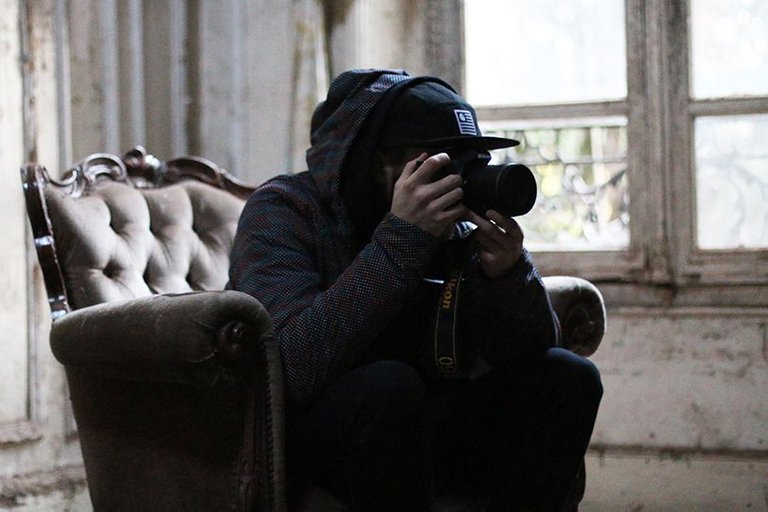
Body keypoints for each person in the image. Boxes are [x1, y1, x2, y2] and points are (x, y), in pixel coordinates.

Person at [228, 68, 602, 511]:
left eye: (467, 162)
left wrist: (508, 276)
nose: (455, 180)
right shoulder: (285, 209)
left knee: (568, 375)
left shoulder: (454, 226)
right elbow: (293, 367)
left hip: (426, 420)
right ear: (373, 160)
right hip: (319, 428)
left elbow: (530, 351)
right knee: (390, 384)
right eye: (437, 163)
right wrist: (402, 238)